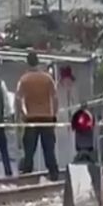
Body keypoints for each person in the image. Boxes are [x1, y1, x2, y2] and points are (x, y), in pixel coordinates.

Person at [15, 51, 60, 181]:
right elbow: (55, 97)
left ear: (27, 63)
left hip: (31, 119)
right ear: (38, 62)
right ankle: (54, 173)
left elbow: (18, 98)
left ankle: (28, 175)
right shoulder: (47, 78)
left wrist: (21, 114)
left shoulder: (24, 79)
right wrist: (54, 114)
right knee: (49, 149)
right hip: (47, 118)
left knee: (29, 150)